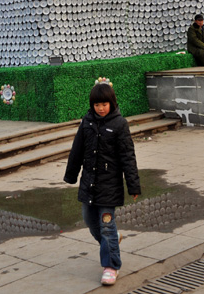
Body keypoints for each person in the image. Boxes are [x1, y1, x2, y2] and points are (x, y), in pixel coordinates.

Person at [64, 79, 141, 286]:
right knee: (90, 221)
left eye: (104, 104)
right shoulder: (86, 122)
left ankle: (111, 266)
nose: (100, 108)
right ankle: (113, 240)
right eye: (97, 105)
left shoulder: (119, 124)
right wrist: (71, 175)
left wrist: (133, 185)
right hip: (89, 182)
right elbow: (77, 150)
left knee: (106, 225)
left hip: (109, 185)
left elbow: (127, 156)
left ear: (112, 103)